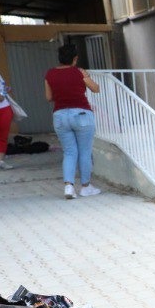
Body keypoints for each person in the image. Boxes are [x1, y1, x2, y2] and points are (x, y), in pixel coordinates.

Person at [45, 43, 102, 199]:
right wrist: (85, 76)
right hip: (82, 114)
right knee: (85, 152)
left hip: (60, 116)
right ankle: (85, 187)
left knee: (69, 152)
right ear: (75, 59)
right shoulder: (79, 72)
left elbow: (49, 97)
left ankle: (69, 187)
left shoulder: (50, 74)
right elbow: (96, 89)